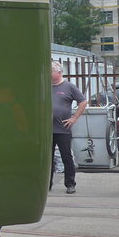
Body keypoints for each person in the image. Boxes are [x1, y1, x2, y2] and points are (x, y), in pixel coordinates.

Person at [51, 61, 88, 194]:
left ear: (59, 72)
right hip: (47, 130)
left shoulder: (69, 87)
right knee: (48, 158)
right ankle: (47, 184)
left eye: (51, 72)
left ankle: (70, 184)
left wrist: (74, 118)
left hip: (62, 129)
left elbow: (83, 101)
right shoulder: (45, 86)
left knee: (66, 156)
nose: (49, 74)